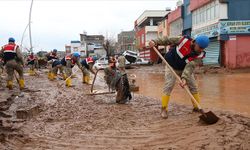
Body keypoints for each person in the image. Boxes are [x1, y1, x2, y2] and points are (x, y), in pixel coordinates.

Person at [149, 35, 210, 119]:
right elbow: (167, 39)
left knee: (193, 86)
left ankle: (197, 108)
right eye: (200, 47)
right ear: (195, 42)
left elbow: (190, 67)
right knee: (169, 85)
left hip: (184, 68)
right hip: (171, 65)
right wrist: (155, 41)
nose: (201, 50)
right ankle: (164, 109)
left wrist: (184, 79)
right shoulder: (183, 40)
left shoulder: (200, 55)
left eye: (203, 48)